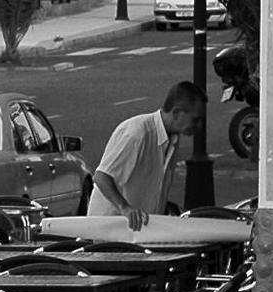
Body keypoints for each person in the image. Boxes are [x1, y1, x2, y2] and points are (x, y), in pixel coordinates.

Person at [85, 81, 207, 231]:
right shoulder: (137, 134)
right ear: (176, 112)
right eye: (195, 119)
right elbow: (101, 177)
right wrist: (125, 208)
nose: (199, 125)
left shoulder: (173, 139)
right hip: (109, 233)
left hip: (138, 232)